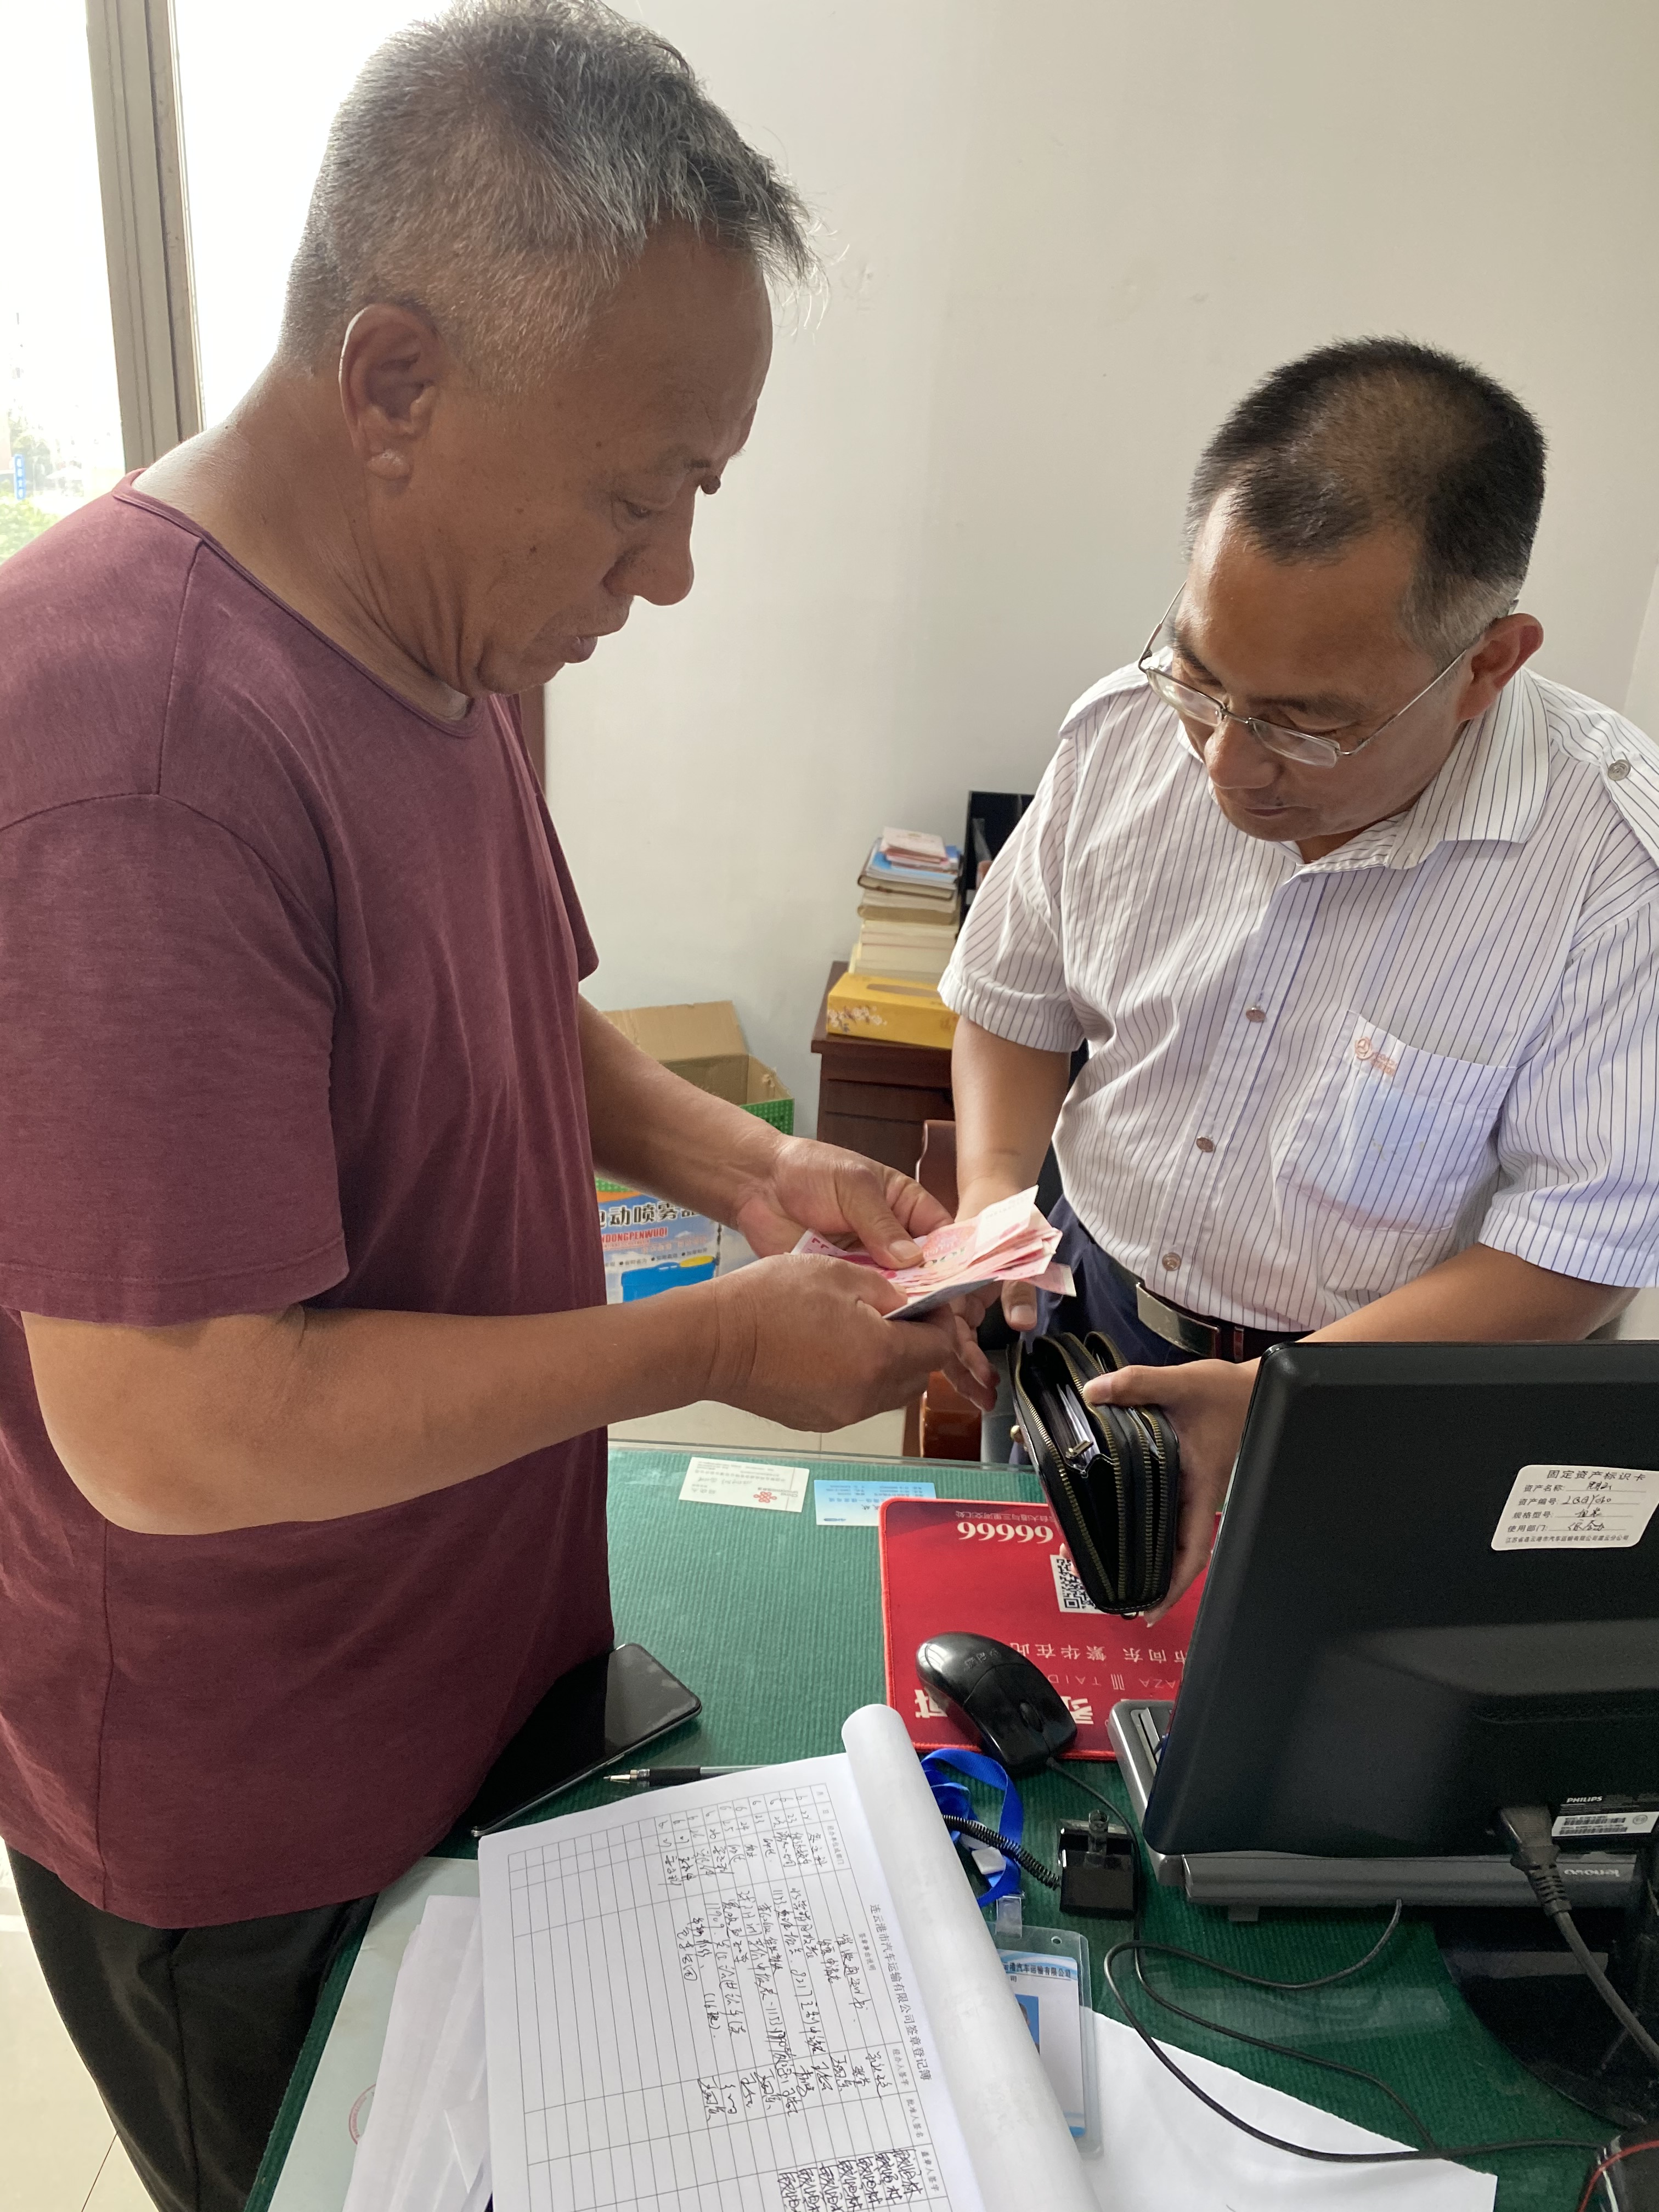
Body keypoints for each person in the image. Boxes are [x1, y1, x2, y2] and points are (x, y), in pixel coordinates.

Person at [0, 7, 990, 2207]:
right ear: (392, 385)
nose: (672, 569)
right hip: (254, 1806)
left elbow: (510, 1011)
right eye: (638, 494)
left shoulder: (456, 641)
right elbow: (173, 1426)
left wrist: (757, 1171)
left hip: (492, 1657)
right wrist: (708, 1342)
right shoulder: (123, 743)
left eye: (700, 491)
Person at [944, 338, 1658, 1617]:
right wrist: (997, 1192)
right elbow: (1013, 1001)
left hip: (1376, 1403)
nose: (1224, 764)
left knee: (1304, 1702)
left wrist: (1283, 1401)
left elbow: (1578, 1248)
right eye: (1202, 679)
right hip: (1094, 1321)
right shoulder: (1123, 734)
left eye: (1305, 724)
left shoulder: (1609, 868)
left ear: (1486, 664)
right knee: (1059, 1667)